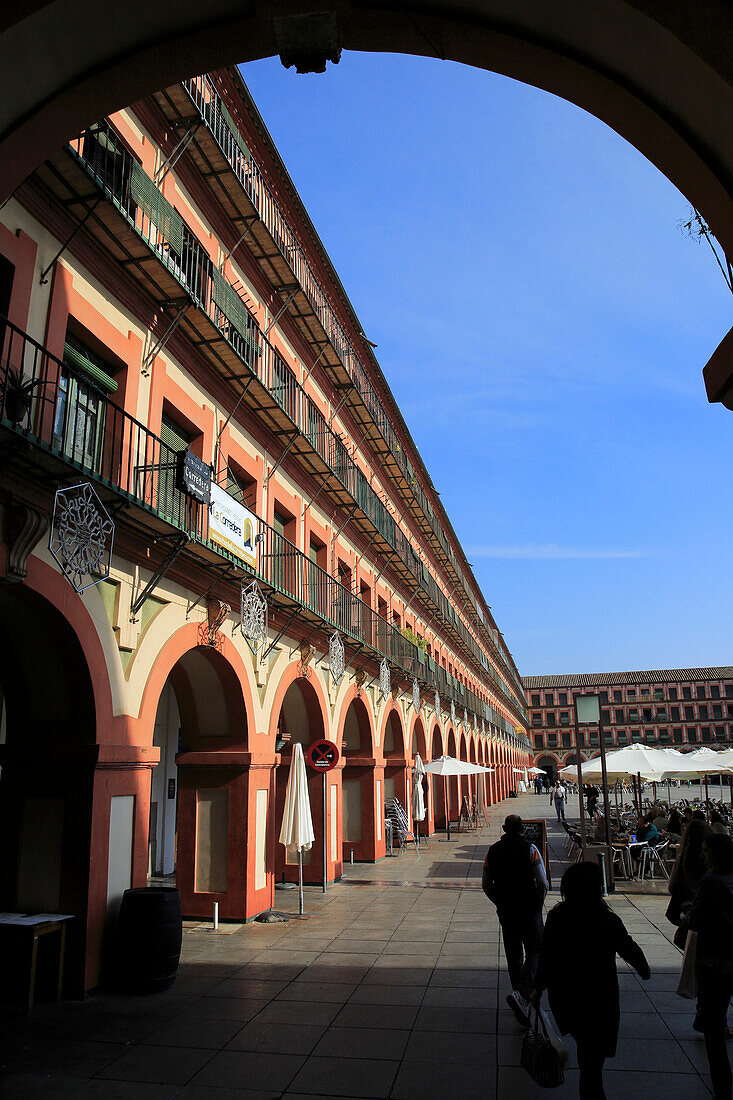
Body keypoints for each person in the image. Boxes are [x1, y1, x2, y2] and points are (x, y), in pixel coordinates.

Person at [531, 862, 651, 1100]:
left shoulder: (558, 917)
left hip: (569, 998)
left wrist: (538, 988)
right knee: (592, 1065)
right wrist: (643, 969)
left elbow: (547, 956)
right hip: (600, 998)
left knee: (587, 1054)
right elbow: (628, 947)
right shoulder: (607, 920)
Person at [482, 814, 548, 1027]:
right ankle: (523, 993)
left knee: (514, 955)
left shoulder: (492, 851)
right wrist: (538, 903)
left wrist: (498, 901)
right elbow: (543, 882)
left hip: (506, 910)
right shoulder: (531, 849)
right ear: (521, 829)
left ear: (504, 829)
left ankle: (518, 994)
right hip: (529, 908)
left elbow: (485, 883)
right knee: (535, 950)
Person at [689, 834, 733, 1100]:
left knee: (714, 1030)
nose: (702, 855)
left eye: (706, 851)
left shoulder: (710, 882)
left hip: (716, 964)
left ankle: (723, 1088)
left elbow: (697, 921)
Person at [667, 818, 710, 928]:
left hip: (689, 909)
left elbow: (671, 887)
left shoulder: (683, 858)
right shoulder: (712, 860)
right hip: (710, 911)